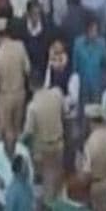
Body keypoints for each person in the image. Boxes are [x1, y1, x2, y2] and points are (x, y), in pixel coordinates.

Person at [22, 80, 65, 205]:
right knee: (57, 176)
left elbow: (28, 132)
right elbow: (64, 112)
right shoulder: (57, 94)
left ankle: (47, 207)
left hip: (43, 148)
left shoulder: (32, 107)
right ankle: (58, 203)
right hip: (59, 143)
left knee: (47, 179)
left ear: (31, 86)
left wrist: (18, 142)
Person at [43, 41, 81, 169]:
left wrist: (59, 100)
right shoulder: (51, 70)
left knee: (69, 145)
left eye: (58, 55)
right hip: (54, 115)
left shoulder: (72, 74)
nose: (55, 61)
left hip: (68, 116)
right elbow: (46, 86)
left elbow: (74, 98)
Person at [0, 18, 31, 138]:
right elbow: (27, 69)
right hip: (20, 93)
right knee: (18, 128)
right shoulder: (20, 46)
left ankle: (8, 152)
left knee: (7, 129)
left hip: (6, 97)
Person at [73, 15, 106, 105]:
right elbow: (75, 66)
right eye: (93, 30)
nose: (95, 33)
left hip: (97, 84)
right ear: (87, 30)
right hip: (82, 85)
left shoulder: (102, 43)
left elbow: (104, 63)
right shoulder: (78, 43)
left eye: (96, 30)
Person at [21, 0, 51, 88]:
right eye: (34, 14)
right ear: (28, 14)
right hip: (26, 68)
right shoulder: (21, 27)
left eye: (38, 14)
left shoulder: (46, 28)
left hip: (41, 68)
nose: (37, 17)